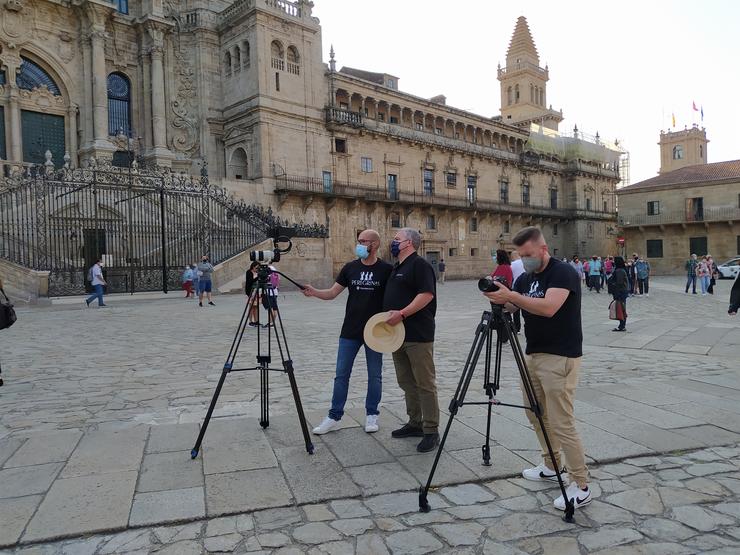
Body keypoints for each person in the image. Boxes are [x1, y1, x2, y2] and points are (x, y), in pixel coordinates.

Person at [483, 226, 591, 511]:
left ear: (543, 249)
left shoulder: (562, 273)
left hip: (560, 356)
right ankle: (551, 464)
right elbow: (512, 307)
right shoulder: (527, 277)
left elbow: (548, 307)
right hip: (532, 354)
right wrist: (498, 296)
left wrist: (514, 298)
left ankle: (581, 485)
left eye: (528, 254)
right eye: (521, 255)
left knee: (561, 421)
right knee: (536, 414)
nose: (525, 260)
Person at [303, 229, 393, 435]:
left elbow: (395, 298)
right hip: (350, 330)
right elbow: (333, 292)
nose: (360, 244)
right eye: (359, 240)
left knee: (375, 375)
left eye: (364, 241)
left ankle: (372, 414)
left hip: (375, 331)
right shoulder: (350, 268)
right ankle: (334, 416)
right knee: (341, 375)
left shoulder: (386, 270)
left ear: (375, 244)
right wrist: (314, 292)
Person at [383, 228, 439, 453]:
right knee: (406, 381)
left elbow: (426, 295)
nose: (393, 242)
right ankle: (415, 422)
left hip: (418, 334)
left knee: (425, 383)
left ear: (409, 243)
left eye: (396, 239)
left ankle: (431, 430)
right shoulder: (397, 266)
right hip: (398, 335)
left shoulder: (420, 265)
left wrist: (402, 313)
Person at [609, 256, 629, 331]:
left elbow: (619, 283)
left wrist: (616, 293)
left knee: (621, 309)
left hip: (620, 292)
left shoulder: (619, 271)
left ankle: (622, 326)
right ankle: (622, 325)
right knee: (622, 308)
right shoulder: (621, 270)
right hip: (622, 291)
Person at [511, 251, 525, 333]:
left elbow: (511, 276)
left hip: (516, 288)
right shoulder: (525, 262)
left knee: (516, 309)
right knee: (526, 308)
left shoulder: (512, 265)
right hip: (526, 286)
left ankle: (517, 328)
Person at [244, 261, 260, 326]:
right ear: (253, 266)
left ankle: (256, 321)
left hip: (257, 291)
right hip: (250, 291)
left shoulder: (258, 272)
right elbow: (250, 281)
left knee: (256, 307)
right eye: (256, 268)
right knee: (251, 307)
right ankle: (250, 321)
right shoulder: (249, 272)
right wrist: (257, 277)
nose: (257, 269)